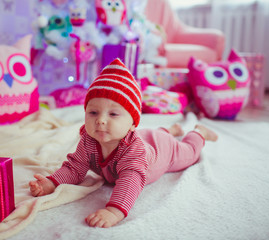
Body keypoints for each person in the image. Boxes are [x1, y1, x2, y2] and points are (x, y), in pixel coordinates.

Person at [29, 58, 218, 228]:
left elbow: (130, 182)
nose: (100, 120)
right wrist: (52, 183)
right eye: (93, 112)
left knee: (189, 153)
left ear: (132, 123)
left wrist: (114, 211)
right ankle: (171, 129)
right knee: (150, 134)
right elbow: (75, 167)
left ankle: (197, 133)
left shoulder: (134, 151)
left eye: (113, 114)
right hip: (146, 136)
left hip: (163, 148)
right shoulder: (89, 139)